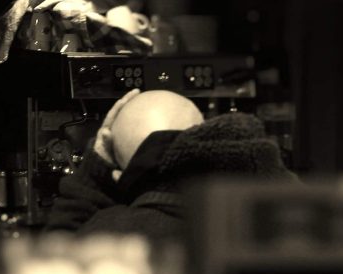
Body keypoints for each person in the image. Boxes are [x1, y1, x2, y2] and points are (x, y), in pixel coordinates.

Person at [45, 89, 298, 240]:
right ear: (206, 135)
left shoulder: (109, 236)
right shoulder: (274, 218)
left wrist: (94, 169)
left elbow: (57, 264)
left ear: (119, 175)